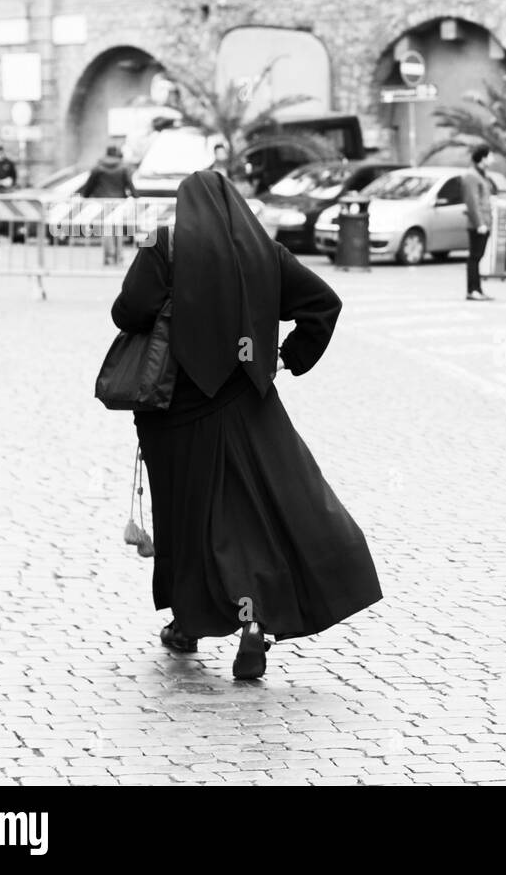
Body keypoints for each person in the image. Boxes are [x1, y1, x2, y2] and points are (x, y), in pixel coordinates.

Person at [109, 170, 382, 680]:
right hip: (248, 405)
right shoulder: (264, 253)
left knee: (186, 520)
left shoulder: (164, 247)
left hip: (175, 412)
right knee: (252, 515)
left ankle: (188, 622)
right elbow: (325, 304)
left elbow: (128, 311)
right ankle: (251, 621)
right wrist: (284, 356)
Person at [79, 144, 138, 266]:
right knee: (118, 229)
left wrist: (85, 196)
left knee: (107, 229)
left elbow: (90, 184)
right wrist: (136, 196)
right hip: (119, 202)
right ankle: (119, 256)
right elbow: (129, 184)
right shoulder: (123, 167)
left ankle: (109, 257)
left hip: (102, 202)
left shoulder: (98, 167)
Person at [460, 144, 497, 301]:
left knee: (478, 257)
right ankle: (472, 290)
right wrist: (479, 223)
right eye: (490, 156)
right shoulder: (471, 176)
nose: (492, 159)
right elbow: (472, 201)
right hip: (478, 225)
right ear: (483, 157)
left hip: (485, 223)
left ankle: (478, 289)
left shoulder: (482, 174)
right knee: (474, 257)